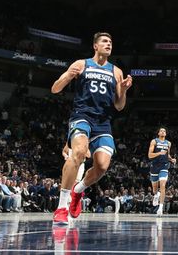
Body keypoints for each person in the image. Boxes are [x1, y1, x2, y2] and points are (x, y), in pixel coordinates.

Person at [50, 32, 133, 226]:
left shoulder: (117, 71)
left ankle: (77, 191)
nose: (108, 44)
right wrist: (68, 77)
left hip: (103, 122)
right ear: (95, 46)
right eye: (104, 41)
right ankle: (62, 207)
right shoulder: (81, 64)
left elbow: (119, 106)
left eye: (111, 42)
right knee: (78, 152)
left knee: (102, 167)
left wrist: (125, 91)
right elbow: (55, 88)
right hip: (82, 116)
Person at [148, 127, 177, 216]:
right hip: (154, 166)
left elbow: (167, 155)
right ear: (158, 133)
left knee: (163, 185)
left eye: (164, 131)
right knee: (154, 189)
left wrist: (171, 159)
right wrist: (159, 153)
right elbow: (149, 155)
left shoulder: (168, 143)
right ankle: (156, 195)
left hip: (164, 166)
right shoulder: (154, 141)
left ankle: (160, 208)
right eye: (161, 130)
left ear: (166, 133)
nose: (163, 132)